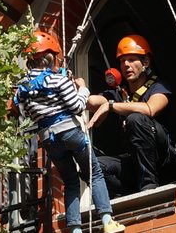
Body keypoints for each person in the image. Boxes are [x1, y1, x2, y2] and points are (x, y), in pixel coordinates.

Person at [13, 30, 125, 233]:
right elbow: (76, 106)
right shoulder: (58, 80)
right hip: (69, 131)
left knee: (70, 181)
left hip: (49, 139)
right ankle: (108, 221)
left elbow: (23, 111)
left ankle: (75, 230)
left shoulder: (23, 88)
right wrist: (82, 88)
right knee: (94, 174)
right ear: (50, 57)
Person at [86, 34, 176, 197]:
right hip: (137, 163)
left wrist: (112, 106)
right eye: (122, 61)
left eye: (131, 60)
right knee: (92, 167)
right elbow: (93, 102)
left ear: (145, 62)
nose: (126, 65)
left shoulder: (158, 87)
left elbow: (151, 109)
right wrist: (76, 92)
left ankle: (148, 187)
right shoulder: (119, 93)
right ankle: (129, 194)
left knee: (136, 118)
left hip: (164, 159)